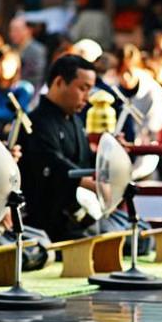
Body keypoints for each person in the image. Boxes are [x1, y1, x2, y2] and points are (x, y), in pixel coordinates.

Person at [18, 54, 97, 241]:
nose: (87, 97)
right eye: (82, 88)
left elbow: (86, 159)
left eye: (89, 90)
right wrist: (90, 183)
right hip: (46, 219)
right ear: (59, 82)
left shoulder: (76, 121)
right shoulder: (35, 122)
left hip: (76, 215)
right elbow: (52, 161)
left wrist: (111, 154)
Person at [8, 15, 48, 92]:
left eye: (16, 30)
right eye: (11, 30)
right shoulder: (11, 49)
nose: (12, 33)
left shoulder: (38, 50)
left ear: (28, 30)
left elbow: (37, 77)